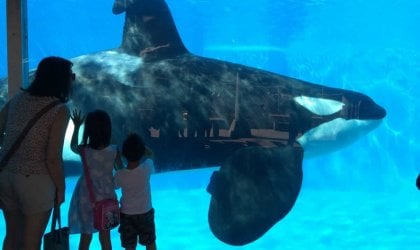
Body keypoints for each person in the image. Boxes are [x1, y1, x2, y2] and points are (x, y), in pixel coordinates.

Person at [0, 56, 74, 250]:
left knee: (12, 236)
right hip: (35, 182)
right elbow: (52, 158)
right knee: (31, 242)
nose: (72, 80)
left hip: (7, 177)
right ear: (60, 79)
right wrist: (61, 189)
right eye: (71, 76)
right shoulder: (59, 110)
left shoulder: (17, 100)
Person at [68, 109, 123, 250]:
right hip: (107, 197)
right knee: (105, 237)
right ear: (108, 129)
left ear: (88, 130)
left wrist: (76, 126)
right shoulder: (114, 150)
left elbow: (73, 146)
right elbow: (121, 173)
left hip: (87, 198)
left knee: (85, 236)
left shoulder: (84, 150)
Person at [115, 133, 157, 250]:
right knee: (150, 243)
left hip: (127, 215)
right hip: (146, 213)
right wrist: (142, 147)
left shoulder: (120, 175)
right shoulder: (146, 168)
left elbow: (115, 185)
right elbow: (151, 154)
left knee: (129, 246)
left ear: (124, 154)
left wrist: (118, 159)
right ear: (142, 152)